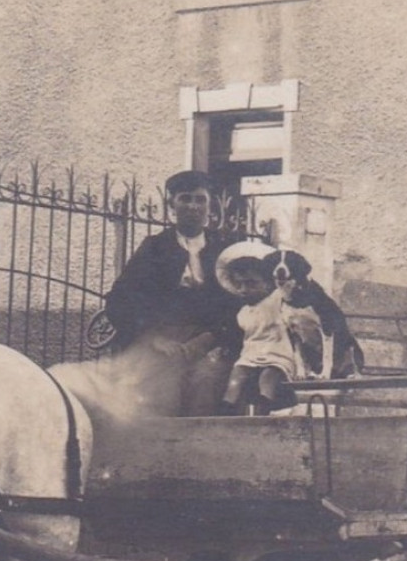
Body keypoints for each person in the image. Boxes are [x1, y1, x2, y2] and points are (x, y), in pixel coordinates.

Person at [102, 170, 245, 350]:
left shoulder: (223, 248)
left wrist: (215, 337)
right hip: (163, 339)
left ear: (210, 207)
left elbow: (239, 300)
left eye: (200, 200)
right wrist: (152, 338)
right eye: (185, 199)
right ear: (172, 205)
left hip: (212, 340)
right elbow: (121, 297)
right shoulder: (155, 247)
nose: (193, 206)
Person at [214, 241, 325, 415]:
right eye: (239, 284)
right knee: (237, 374)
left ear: (268, 283)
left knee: (268, 375)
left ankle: (263, 408)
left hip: (277, 352)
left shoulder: (278, 299)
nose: (244, 289)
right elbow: (243, 335)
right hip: (252, 354)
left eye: (251, 283)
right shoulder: (243, 311)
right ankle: (227, 407)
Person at [276, 249, 364, 380]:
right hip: (315, 358)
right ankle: (303, 370)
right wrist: (300, 370)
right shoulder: (284, 301)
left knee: (346, 346)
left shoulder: (316, 297)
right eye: (277, 263)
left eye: (288, 263)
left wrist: (326, 370)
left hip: (341, 353)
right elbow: (295, 338)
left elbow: (328, 333)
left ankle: (336, 370)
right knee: (295, 336)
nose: (280, 267)